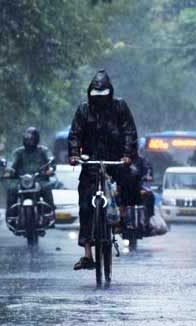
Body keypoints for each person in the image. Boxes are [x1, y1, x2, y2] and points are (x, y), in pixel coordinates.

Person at [67, 70, 139, 270]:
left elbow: (129, 132)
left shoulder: (120, 107)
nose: (99, 100)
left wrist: (127, 155)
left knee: (131, 179)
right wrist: (74, 154)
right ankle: (88, 254)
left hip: (116, 161)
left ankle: (125, 220)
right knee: (84, 205)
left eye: (103, 95)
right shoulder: (83, 110)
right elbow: (75, 134)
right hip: (90, 163)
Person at [5, 127, 55, 214]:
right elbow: (11, 162)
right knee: (12, 189)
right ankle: (11, 214)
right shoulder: (18, 152)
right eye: (27, 139)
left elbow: (51, 160)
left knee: (47, 188)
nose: (29, 142)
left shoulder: (43, 151)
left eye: (31, 139)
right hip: (22, 181)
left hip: (40, 179)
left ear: (36, 139)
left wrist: (50, 169)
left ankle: (49, 212)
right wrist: (10, 170)